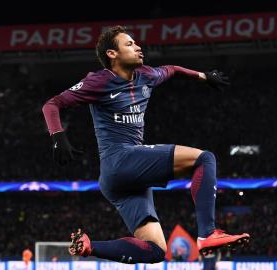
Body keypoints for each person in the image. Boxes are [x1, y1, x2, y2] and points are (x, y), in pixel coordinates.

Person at [42, 25, 250, 264]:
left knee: (155, 251)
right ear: (112, 54)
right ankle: (208, 233)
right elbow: (52, 104)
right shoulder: (98, 82)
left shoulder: (147, 75)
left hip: (120, 180)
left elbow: (172, 69)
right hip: (120, 160)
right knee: (205, 158)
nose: (138, 47)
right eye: (129, 44)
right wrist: (58, 136)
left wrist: (202, 76)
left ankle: (90, 246)